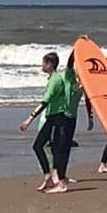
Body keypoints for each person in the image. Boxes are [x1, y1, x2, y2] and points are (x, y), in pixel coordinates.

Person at [20, 51, 70, 194]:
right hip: (51, 117)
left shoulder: (55, 80)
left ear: (50, 64)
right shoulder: (52, 78)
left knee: (57, 150)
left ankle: (61, 183)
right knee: (38, 146)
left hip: (58, 118)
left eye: (44, 63)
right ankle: (48, 177)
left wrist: (29, 118)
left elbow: (44, 101)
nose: (42, 65)